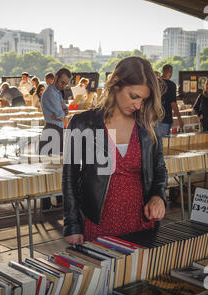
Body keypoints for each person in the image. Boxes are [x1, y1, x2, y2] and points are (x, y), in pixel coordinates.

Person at [63, 56, 167, 244]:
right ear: (116, 84)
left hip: (141, 223)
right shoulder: (81, 123)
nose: (138, 105)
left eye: (143, 100)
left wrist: (158, 196)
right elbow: (69, 176)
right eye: (134, 96)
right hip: (98, 223)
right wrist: (72, 225)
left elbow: (160, 169)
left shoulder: (147, 127)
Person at [40, 68, 72, 210]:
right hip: (52, 129)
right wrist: (61, 112)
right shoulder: (49, 93)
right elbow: (61, 113)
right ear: (56, 77)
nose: (63, 86)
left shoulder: (57, 93)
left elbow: (65, 111)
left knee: (58, 166)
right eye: (62, 82)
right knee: (49, 168)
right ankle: (46, 204)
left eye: (65, 84)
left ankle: (58, 200)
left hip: (58, 129)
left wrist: (61, 112)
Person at [156, 64, 183, 136]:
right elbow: (173, 103)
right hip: (165, 117)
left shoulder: (155, 82)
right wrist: (179, 119)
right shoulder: (171, 85)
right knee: (163, 144)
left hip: (152, 118)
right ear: (170, 72)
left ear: (162, 71)